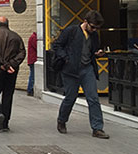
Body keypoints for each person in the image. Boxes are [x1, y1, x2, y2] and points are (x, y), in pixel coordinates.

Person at [52, 10, 109, 139]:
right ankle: (62, 120)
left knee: (93, 98)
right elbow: (57, 45)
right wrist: (66, 58)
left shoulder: (94, 35)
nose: (94, 30)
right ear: (85, 22)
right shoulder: (71, 31)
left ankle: (97, 128)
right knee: (70, 97)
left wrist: (98, 53)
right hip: (71, 70)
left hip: (87, 68)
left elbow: (92, 49)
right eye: (93, 27)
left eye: (97, 28)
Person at [0, 16, 26, 132]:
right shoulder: (16, 36)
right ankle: (5, 123)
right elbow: (22, 52)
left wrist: (4, 64)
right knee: (8, 94)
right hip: (11, 71)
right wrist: (11, 64)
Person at [27, 32, 38, 96]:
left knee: (32, 75)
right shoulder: (34, 37)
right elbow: (37, 46)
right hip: (33, 59)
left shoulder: (33, 37)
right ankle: (30, 89)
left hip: (32, 59)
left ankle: (30, 89)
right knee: (33, 75)